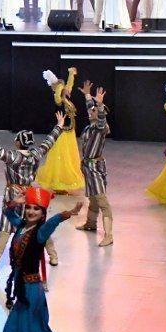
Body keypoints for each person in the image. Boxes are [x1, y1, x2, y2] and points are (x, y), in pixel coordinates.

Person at [0, 187, 78, 332]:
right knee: (12, 331)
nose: (31, 211)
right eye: (29, 208)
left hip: (32, 291)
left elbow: (53, 223)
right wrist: (15, 203)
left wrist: (67, 213)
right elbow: (8, 213)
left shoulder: (40, 232)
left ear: (43, 214)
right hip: (22, 290)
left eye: (36, 209)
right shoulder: (21, 226)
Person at [0, 112, 65, 276]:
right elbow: (49, 142)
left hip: (13, 195)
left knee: (5, 229)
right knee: (36, 226)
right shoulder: (36, 154)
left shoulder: (13, 157)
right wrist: (59, 126)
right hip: (30, 195)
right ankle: (53, 256)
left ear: (18, 142)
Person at [73, 82, 113, 246]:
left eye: (94, 111)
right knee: (93, 198)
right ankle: (90, 224)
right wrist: (87, 95)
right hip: (87, 167)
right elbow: (91, 108)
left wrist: (100, 105)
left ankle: (109, 235)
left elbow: (101, 118)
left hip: (95, 167)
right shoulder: (91, 126)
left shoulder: (100, 128)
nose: (91, 112)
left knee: (101, 200)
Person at [34, 68, 82, 194]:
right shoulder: (59, 100)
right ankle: (58, 183)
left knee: (68, 157)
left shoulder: (65, 98)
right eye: (63, 88)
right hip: (61, 133)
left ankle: (64, 182)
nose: (66, 89)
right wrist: (59, 85)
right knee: (60, 157)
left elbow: (69, 87)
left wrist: (71, 74)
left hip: (69, 131)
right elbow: (59, 94)